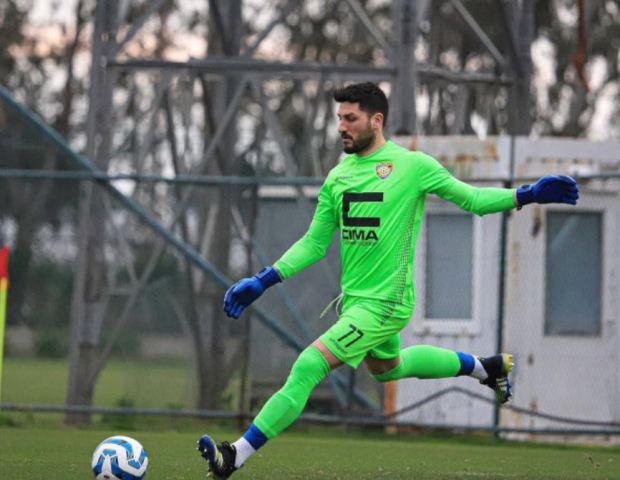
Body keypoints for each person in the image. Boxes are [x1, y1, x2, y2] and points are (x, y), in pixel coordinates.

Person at [197, 82, 579, 478]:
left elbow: (473, 200)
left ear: (376, 120)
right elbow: (313, 244)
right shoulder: (338, 176)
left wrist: (527, 194)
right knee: (389, 368)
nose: (341, 127)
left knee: (309, 364)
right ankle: (485, 368)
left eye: (350, 118)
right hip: (356, 303)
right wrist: (262, 280)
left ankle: (235, 455)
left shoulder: (412, 166)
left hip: (387, 303)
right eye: (339, 119)